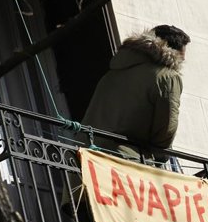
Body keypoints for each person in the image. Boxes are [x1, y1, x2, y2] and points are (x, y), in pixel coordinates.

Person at [81, 24, 190, 160]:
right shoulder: (167, 77)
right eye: (182, 57)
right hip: (127, 161)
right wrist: (160, 155)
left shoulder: (112, 73)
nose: (183, 61)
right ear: (173, 52)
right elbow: (166, 128)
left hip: (89, 158)